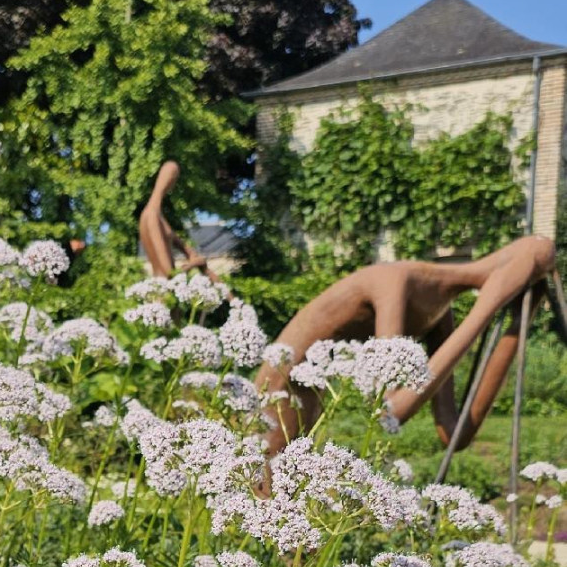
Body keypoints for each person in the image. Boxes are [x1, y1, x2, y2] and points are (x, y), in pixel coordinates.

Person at [255, 235, 556, 465]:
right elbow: (391, 410)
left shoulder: (440, 313)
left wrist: (519, 323)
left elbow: (454, 435)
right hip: (282, 386)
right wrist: (488, 306)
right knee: (268, 499)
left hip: (315, 390)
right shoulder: (394, 280)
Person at [139, 161, 220, 282]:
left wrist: (194, 258)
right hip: (163, 292)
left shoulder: (157, 217)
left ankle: (233, 300)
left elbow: (188, 251)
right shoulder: (152, 216)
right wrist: (193, 264)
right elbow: (168, 272)